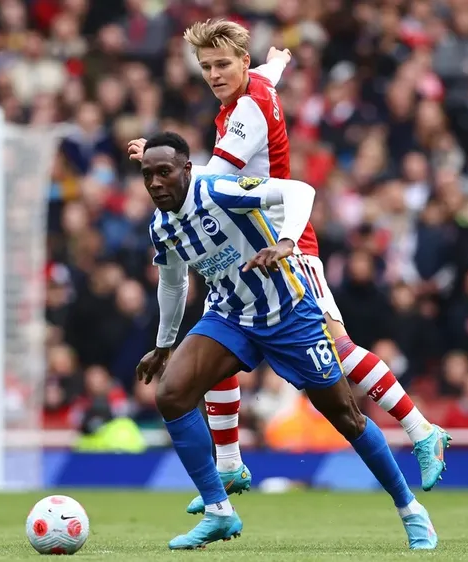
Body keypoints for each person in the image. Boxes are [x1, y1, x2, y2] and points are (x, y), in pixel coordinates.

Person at [128, 19, 449, 516]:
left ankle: (421, 431)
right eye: (206, 66)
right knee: (218, 331)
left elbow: (206, 180)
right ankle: (230, 463)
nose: (213, 75)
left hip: (285, 240)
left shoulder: (245, 114)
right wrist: (275, 62)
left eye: (221, 65)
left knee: (337, 345)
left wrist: (154, 157)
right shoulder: (254, 85)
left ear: (240, 62)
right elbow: (267, 75)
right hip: (246, 243)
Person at [135, 132, 437, 550]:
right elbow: (172, 285)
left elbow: (298, 191)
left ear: (187, 170)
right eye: (147, 175)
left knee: (346, 417)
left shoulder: (218, 190)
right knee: (171, 395)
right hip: (231, 317)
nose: (154, 183)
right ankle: (219, 511)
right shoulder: (162, 227)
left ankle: (410, 509)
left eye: (163, 172)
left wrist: (286, 241)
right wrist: (164, 344)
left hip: (289, 314)